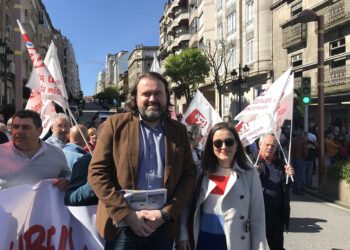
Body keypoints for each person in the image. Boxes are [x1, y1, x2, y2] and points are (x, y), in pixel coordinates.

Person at [88, 72, 196, 250]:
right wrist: (126, 214)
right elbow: (97, 173)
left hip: (162, 226)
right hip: (122, 226)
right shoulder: (115, 125)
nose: (152, 99)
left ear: (166, 97)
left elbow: (189, 176)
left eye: (158, 93)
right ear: (135, 97)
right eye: (146, 94)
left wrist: (166, 213)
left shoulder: (179, 130)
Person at [178, 122, 266, 250]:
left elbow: (257, 218)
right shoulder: (200, 171)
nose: (223, 147)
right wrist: (183, 234)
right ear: (211, 146)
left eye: (229, 142)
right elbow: (187, 205)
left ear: (236, 144)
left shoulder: (249, 173)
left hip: (236, 241)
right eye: (217, 143)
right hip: (204, 239)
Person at [0, 110, 70, 190]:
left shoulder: (56, 153)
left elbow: (68, 176)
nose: (19, 131)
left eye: (25, 127)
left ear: (39, 131)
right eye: (15, 127)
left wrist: (67, 181)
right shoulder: (1, 152)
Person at [256, 133, 294, 250]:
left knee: (277, 247)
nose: (270, 148)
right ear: (260, 144)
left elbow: (285, 188)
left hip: (276, 216)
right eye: (267, 145)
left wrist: (289, 176)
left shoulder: (281, 164)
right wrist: (250, 174)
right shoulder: (252, 162)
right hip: (257, 216)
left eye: (273, 146)